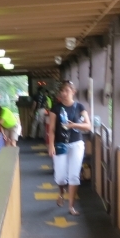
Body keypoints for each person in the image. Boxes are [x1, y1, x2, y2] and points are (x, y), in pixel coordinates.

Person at [47, 81, 91, 216]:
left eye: (66, 90)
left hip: (76, 144)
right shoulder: (56, 108)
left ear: (73, 91)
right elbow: (52, 128)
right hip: (60, 144)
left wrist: (74, 125)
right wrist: (51, 145)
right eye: (62, 91)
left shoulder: (80, 107)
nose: (63, 93)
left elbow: (88, 126)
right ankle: (61, 191)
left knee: (74, 176)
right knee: (60, 177)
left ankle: (71, 206)